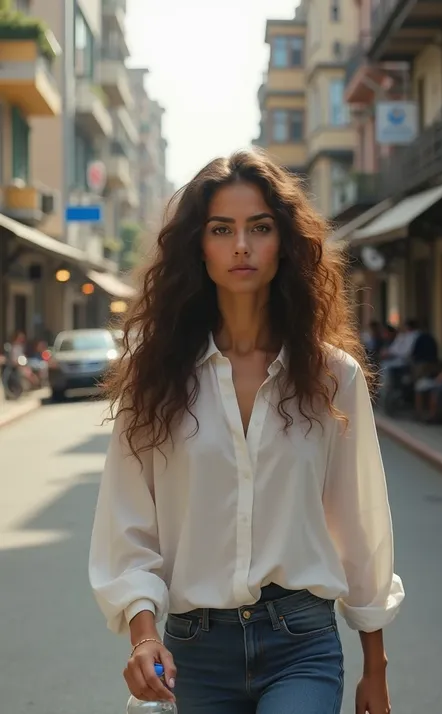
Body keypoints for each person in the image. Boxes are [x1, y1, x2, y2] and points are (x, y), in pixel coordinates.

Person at [89, 150, 404, 714]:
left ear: (283, 243)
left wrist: (375, 670)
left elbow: (360, 529)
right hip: (193, 651)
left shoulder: (334, 375)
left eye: (259, 227)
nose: (241, 245)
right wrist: (143, 634)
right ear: (197, 245)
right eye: (221, 229)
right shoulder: (154, 377)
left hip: (301, 644)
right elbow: (128, 523)